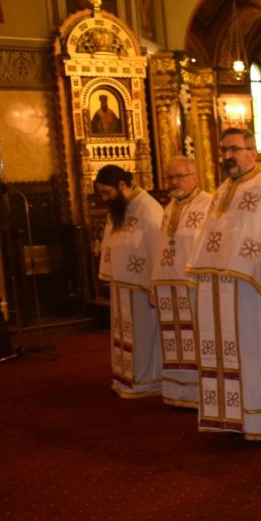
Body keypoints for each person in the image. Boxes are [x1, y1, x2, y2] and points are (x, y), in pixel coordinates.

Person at [186, 127, 261, 437]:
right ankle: (230, 416)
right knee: (227, 351)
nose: (227, 156)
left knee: (255, 353)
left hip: (252, 289)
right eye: (224, 150)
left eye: (234, 149)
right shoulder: (222, 190)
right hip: (220, 288)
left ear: (252, 153)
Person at [94, 164, 164, 398]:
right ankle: (125, 378)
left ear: (122, 185)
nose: (104, 198)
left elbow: (156, 248)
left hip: (141, 287)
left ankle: (147, 380)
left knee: (142, 335)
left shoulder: (149, 209)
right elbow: (110, 241)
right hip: (121, 285)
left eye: (107, 192)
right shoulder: (118, 208)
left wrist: (154, 284)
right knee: (123, 333)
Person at [149, 156, 212, 407]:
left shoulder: (208, 204)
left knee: (195, 336)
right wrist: (154, 280)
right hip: (168, 283)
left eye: (179, 176)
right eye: (170, 177)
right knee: (172, 339)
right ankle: (177, 392)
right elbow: (160, 246)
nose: (174, 182)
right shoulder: (168, 208)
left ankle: (199, 393)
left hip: (193, 283)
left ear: (193, 176)